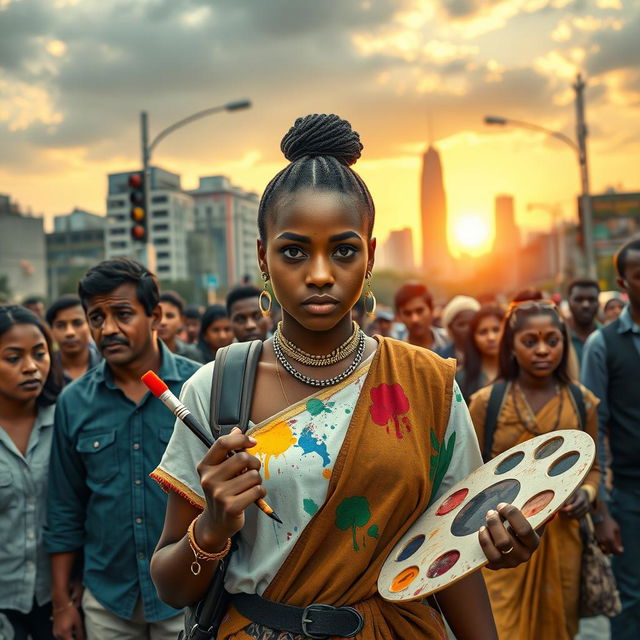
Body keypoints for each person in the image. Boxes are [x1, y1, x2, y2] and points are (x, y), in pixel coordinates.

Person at [148, 114, 540, 640]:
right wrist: (213, 527)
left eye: (343, 250)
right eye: (293, 251)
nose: (319, 274)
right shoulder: (214, 389)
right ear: (263, 258)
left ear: (371, 256)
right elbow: (172, 588)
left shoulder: (426, 384)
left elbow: (451, 554)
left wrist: (495, 546)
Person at [43, 258, 201, 640]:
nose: (107, 328)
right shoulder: (74, 402)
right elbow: (65, 508)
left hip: (188, 594)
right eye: (95, 317)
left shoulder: (199, 387)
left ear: (155, 315)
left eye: (122, 314)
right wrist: (63, 604)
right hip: (108, 598)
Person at [468, 300, 601, 640]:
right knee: (503, 627)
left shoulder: (582, 401)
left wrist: (587, 494)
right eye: (530, 341)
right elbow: (469, 473)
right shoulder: (487, 402)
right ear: (511, 346)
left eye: (552, 340)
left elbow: (595, 467)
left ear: (563, 342)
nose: (542, 350)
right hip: (503, 542)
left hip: (563, 539)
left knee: (559, 627)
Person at [582, 237, 640, 640]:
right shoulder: (603, 344)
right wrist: (602, 510)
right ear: (623, 282)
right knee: (632, 598)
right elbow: (594, 428)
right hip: (630, 494)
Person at [0, 305, 63, 639]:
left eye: (39, 354)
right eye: (13, 358)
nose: (31, 367)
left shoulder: (66, 419)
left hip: (56, 600)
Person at [46, 295, 101, 385]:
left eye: (77, 323)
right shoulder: (46, 373)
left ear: (90, 325)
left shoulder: (109, 366)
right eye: (61, 325)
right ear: (51, 331)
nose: (69, 332)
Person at [456, 305, 505, 402]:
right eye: (483, 332)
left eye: (496, 330)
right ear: (473, 338)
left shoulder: (520, 371)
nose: (491, 337)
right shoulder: (461, 377)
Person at [394, 281, 449, 352]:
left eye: (420, 311)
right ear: (399, 316)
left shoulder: (450, 341)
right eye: (407, 313)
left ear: (431, 309)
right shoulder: (395, 352)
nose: (415, 319)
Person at [158, 291, 204, 362]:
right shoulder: (142, 355)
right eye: (158, 316)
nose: (163, 322)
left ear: (182, 320)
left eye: (169, 316)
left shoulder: (192, 355)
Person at [437, 295, 481, 365]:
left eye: (472, 323)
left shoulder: (488, 355)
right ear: (450, 328)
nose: (468, 329)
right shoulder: (440, 358)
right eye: (462, 324)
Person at [566, 279, 600, 367]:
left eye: (591, 299)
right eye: (579, 299)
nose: (585, 305)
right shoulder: (559, 338)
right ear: (569, 302)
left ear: (598, 303)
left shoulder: (607, 338)